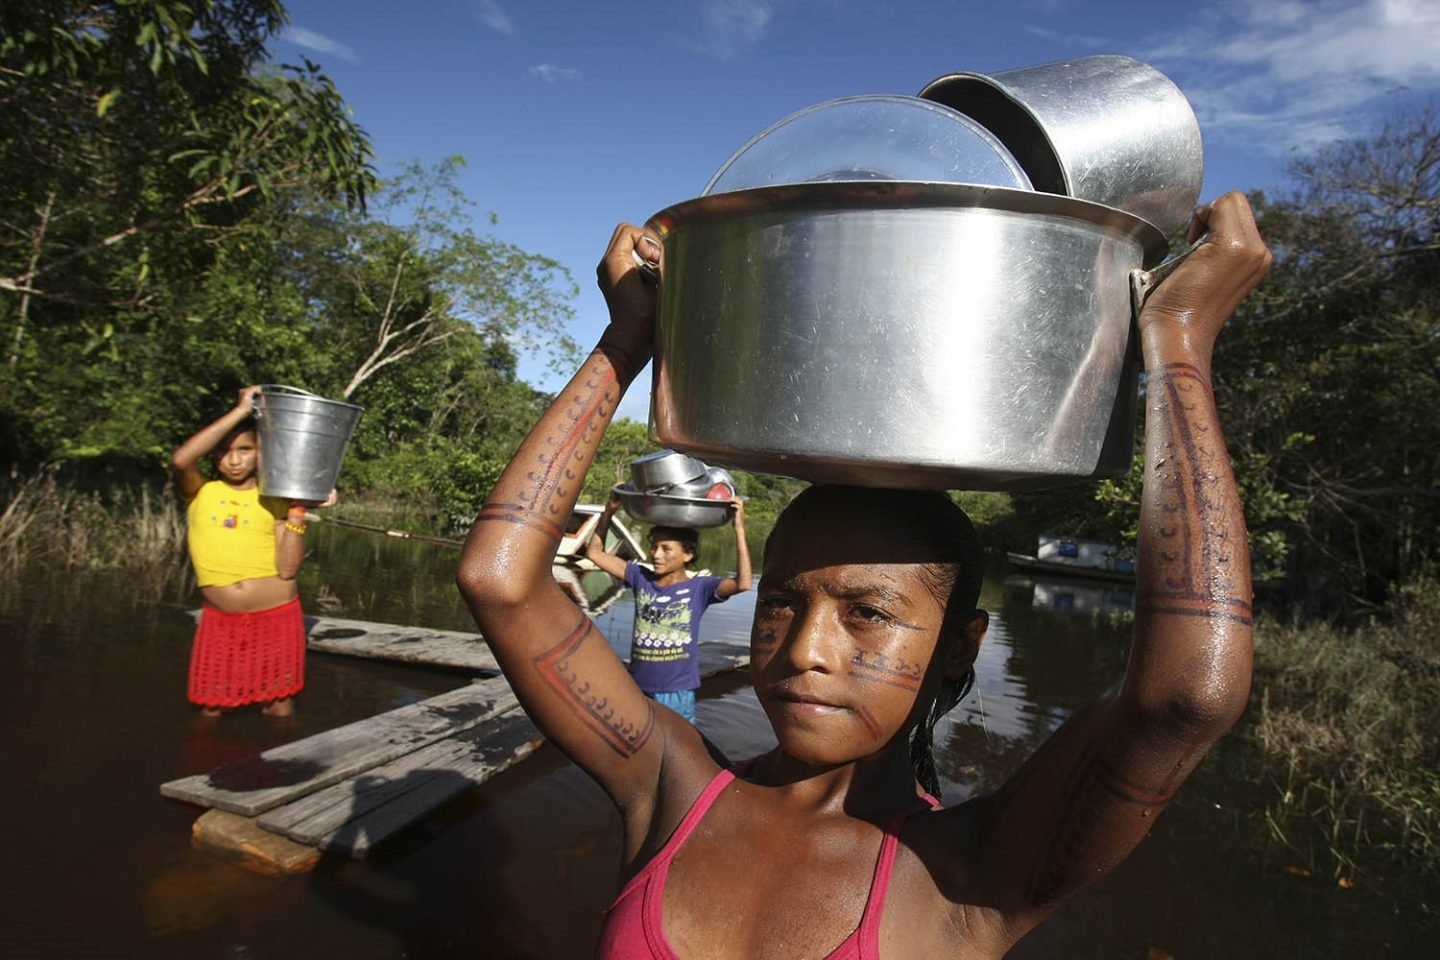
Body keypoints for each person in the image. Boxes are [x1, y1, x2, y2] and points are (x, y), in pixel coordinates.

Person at [458, 196, 1271, 956]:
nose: (804, 651)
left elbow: (1185, 698)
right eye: (782, 602)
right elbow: (501, 582)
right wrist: (628, 340)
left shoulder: (971, 873)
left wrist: (1178, 343)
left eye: (868, 613)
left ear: (961, 647)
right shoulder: (671, 788)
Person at [171, 386, 334, 717]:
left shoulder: (274, 497)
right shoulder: (201, 492)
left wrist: (297, 513)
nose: (234, 460)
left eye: (245, 449)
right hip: (220, 620)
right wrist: (242, 409)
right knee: (210, 705)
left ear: (261, 452)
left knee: (279, 709)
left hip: (277, 616)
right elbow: (180, 460)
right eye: (224, 451)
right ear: (213, 456)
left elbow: (288, 569)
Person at [583, 497, 752, 724]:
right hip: (637, 688)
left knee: (676, 743)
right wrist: (608, 512)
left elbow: (743, 583)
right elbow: (594, 553)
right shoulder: (640, 577)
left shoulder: (699, 588)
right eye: (654, 547)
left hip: (675, 692)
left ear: (687, 555)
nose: (656, 554)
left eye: (666, 549)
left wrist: (739, 529)